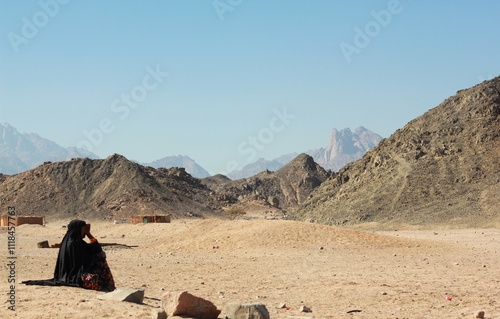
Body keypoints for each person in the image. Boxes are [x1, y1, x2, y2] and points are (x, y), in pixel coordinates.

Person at [23, 219, 115, 292]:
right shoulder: (74, 244)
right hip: (76, 278)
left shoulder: (71, 242)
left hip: (72, 276)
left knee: (99, 257)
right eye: (83, 229)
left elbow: (94, 250)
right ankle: (108, 285)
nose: (84, 231)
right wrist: (89, 234)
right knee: (100, 258)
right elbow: (97, 250)